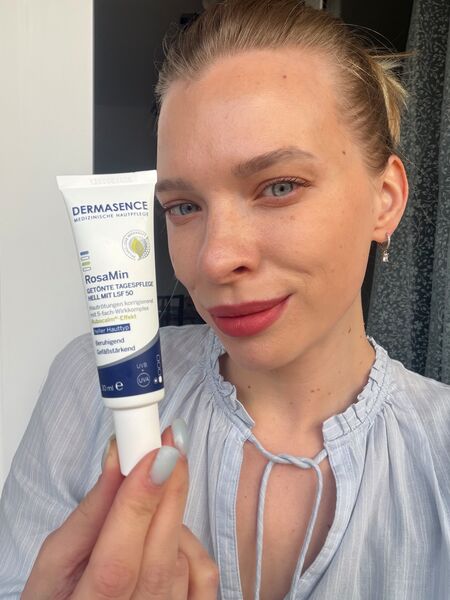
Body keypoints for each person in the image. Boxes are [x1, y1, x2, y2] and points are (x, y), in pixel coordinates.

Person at [1, 0, 450, 598]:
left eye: (279, 186)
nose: (214, 258)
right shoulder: (87, 386)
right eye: (183, 206)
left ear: (385, 198)